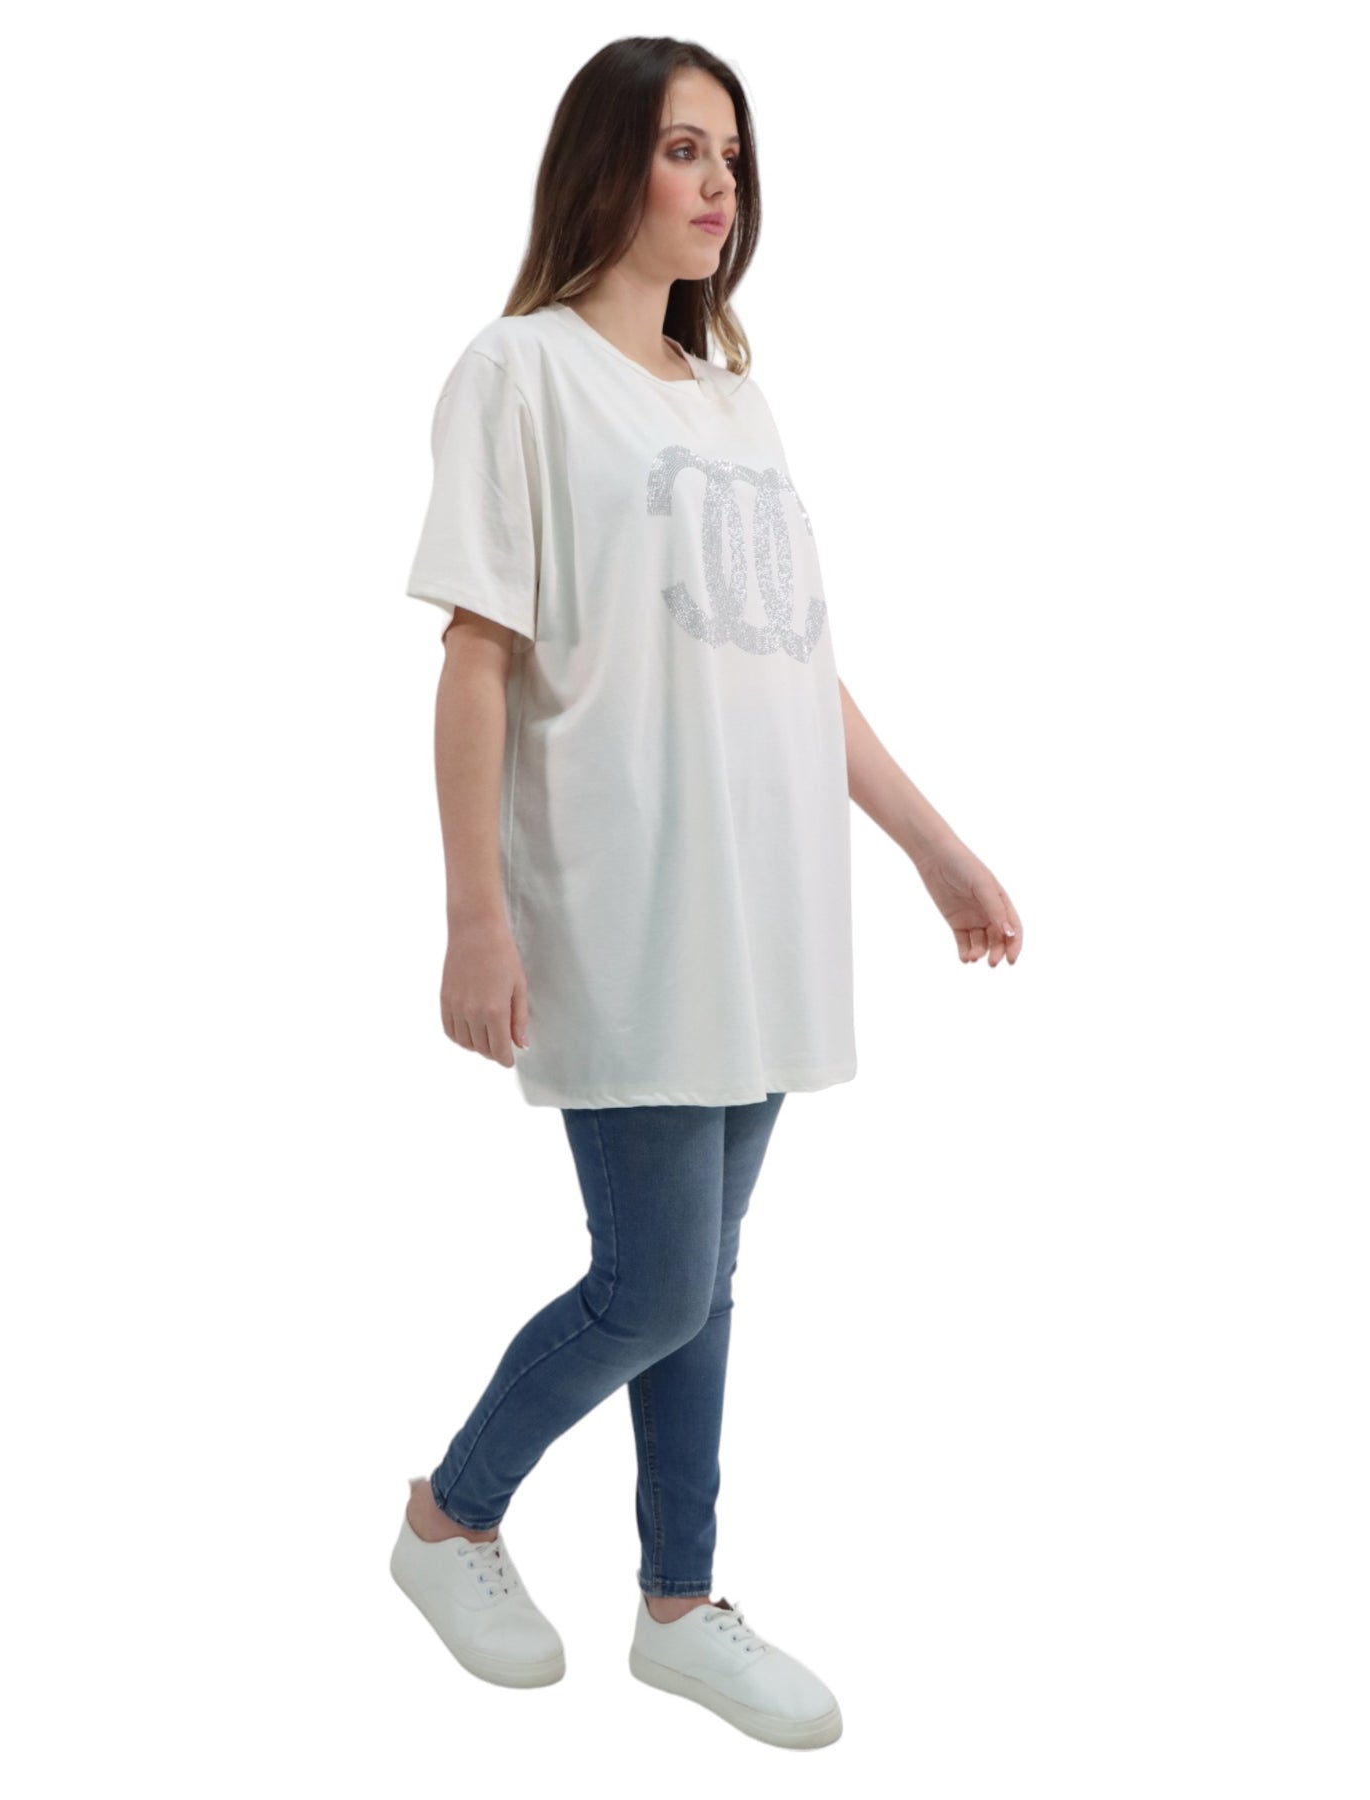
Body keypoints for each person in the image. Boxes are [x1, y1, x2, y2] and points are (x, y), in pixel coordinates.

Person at [388, 37, 1023, 1751]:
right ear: (605, 165)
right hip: (630, 901)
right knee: (656, 1281)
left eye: (730, 153)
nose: (718, 181)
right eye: (683, 148)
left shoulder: (734, 397)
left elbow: (793, 661)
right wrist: (473, 916)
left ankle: (678, 1603)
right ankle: (449, 1516)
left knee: (706, 1276)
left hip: (767, 902)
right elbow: (476, 658)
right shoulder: (519, 373)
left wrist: (932, 844)